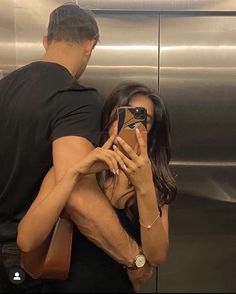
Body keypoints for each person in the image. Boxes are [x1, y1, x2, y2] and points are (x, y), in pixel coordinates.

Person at [0, 4, 144, 293]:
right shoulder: (74, 97)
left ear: (46, 40)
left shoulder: (4, 88)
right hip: (33, 262)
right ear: (90, 46)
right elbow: (78, 196)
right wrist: (134, 258)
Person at [17, 82, 177, 293]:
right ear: (108, 119)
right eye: (122, 115)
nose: (130, 127)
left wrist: (144, 184)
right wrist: (75, 173)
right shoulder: (74, 166)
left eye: (142, 120)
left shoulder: (155, 183)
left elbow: (156, 256)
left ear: (151, 131)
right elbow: (27, 241)